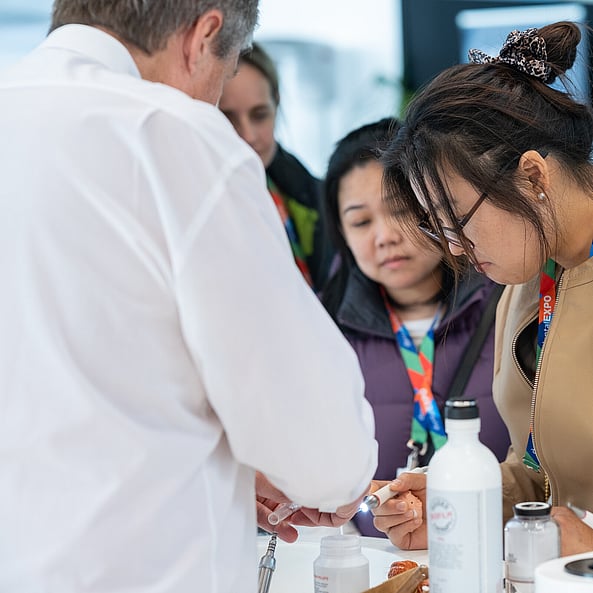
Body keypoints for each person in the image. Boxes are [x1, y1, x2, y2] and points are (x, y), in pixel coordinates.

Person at [0, 1, 378, 591]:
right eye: (224, 79)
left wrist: (228, 466)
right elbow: (323, 448)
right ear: (203, 37)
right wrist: (323, 477)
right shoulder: (171, 135)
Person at [370, 21, 593, 557]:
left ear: (533, 177)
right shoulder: (528, 281)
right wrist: (462, 504)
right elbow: (542, 476)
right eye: (437, 228)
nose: (454, 249)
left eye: (458, 220)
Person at [321, 117, 510, 537]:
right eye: (361, 222)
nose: (385, 236)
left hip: (501, 552)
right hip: (381, 561)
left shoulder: (510, 301)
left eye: (401, 210)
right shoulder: (323, 333)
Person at [218, 42, 332, 291]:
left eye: (259, 115)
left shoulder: (316, 196)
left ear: (277, 105)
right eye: (228, 118)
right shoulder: (200, 205)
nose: (248, 135)